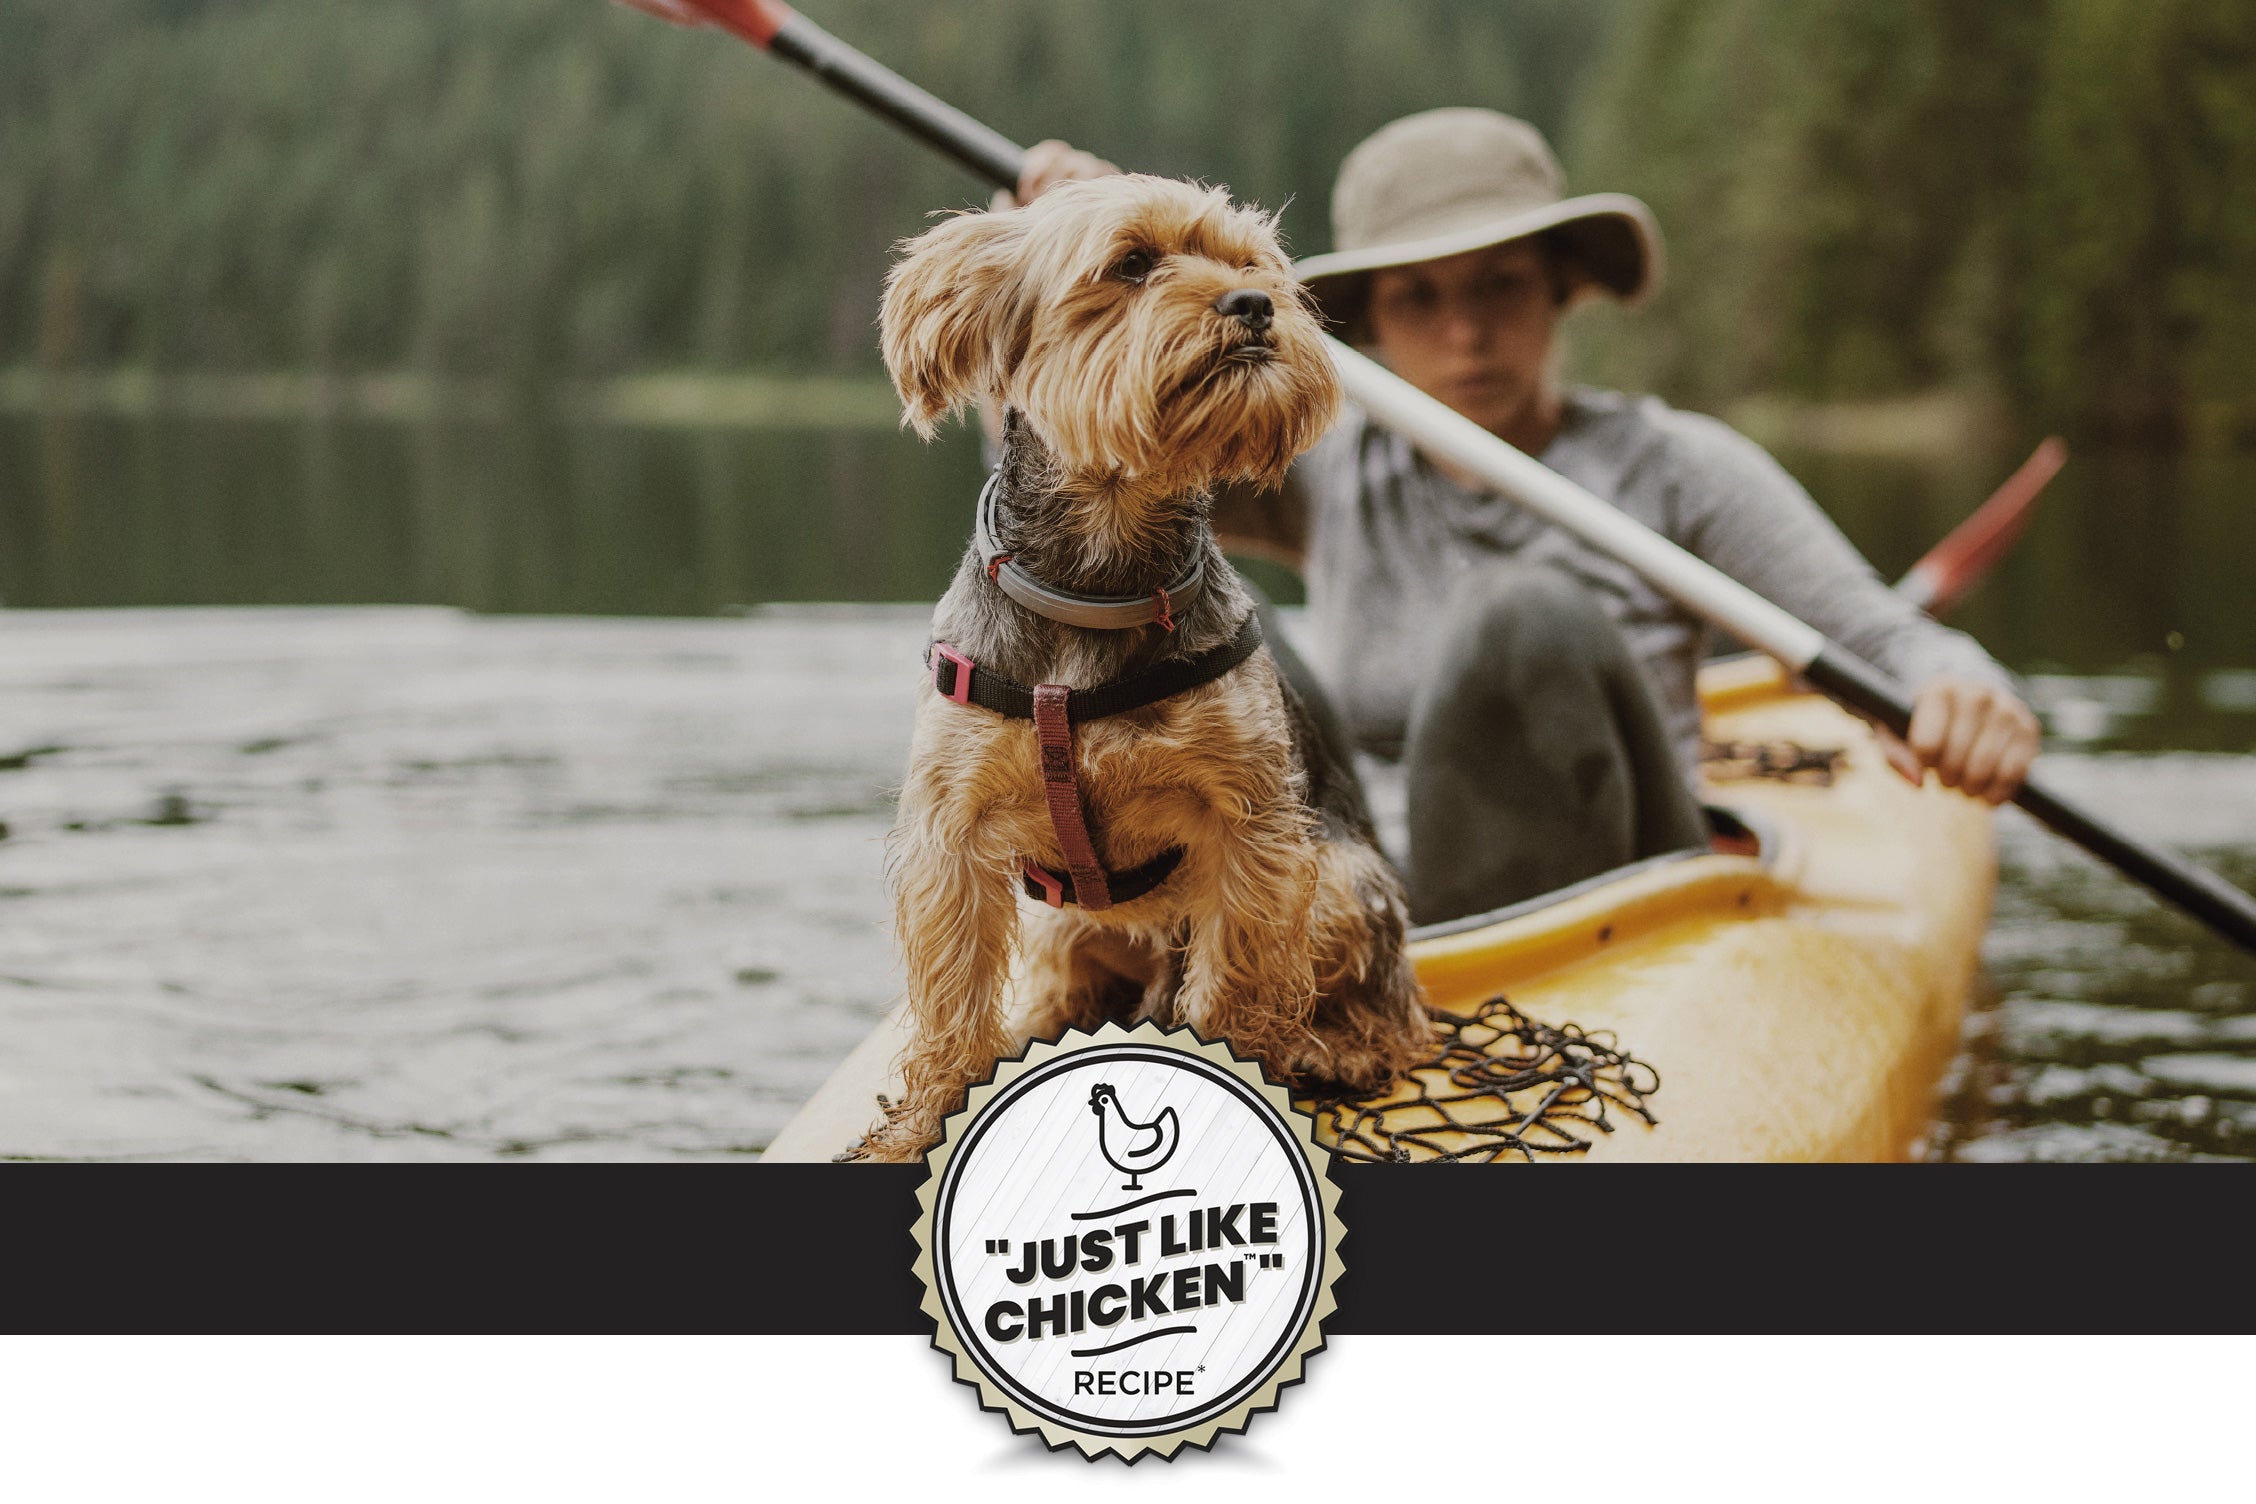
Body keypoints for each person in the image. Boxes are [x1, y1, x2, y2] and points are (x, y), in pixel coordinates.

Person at [1003, 108, 2041, 924]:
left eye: (1500, 286)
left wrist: (1963, 690)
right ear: (1370, 322)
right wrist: (1087, 263)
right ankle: (1291, 955)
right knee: (1229, 648)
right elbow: (1076, 481)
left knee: (1518, 620)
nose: (1466, 333)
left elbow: (1886, 641)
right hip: (1362, 896)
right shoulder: (1321, 464)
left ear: (1562, 292)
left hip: (1618, 901)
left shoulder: (1677, 467)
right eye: (1420, 297)